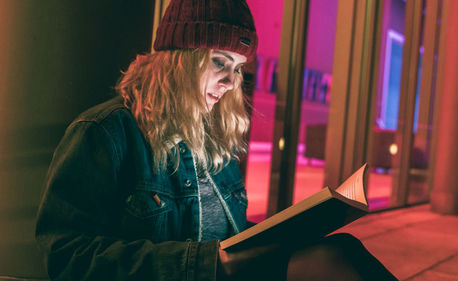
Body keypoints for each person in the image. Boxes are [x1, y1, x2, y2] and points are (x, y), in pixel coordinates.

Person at [35, 0, 398, 280]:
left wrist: (286, 235)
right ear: (180, 60)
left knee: (336, 251)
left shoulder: (214, 144)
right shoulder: (104, 132)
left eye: (238, 68)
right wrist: (204, 262)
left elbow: (231, 239)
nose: (230, 82)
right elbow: (67, 255)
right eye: (219, 62)